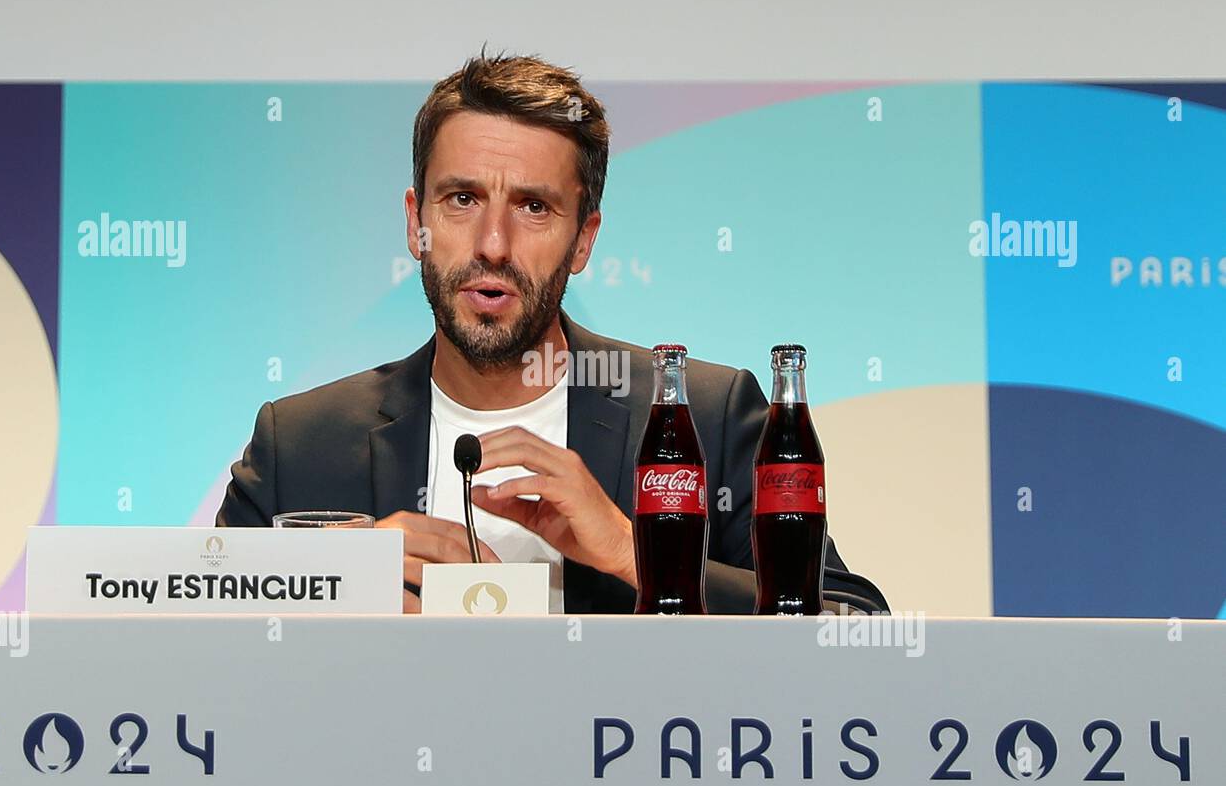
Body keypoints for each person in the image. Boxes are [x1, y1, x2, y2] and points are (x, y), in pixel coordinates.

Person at [216, 49, 849, 613]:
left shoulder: (701, 416)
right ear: (416, 223)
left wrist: (636, 555)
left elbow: (854, 621)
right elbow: (190, 643)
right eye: (462, 199)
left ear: (584, 239)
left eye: (534, 207)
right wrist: (332, 582)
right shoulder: (299, 443)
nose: (493, 245)